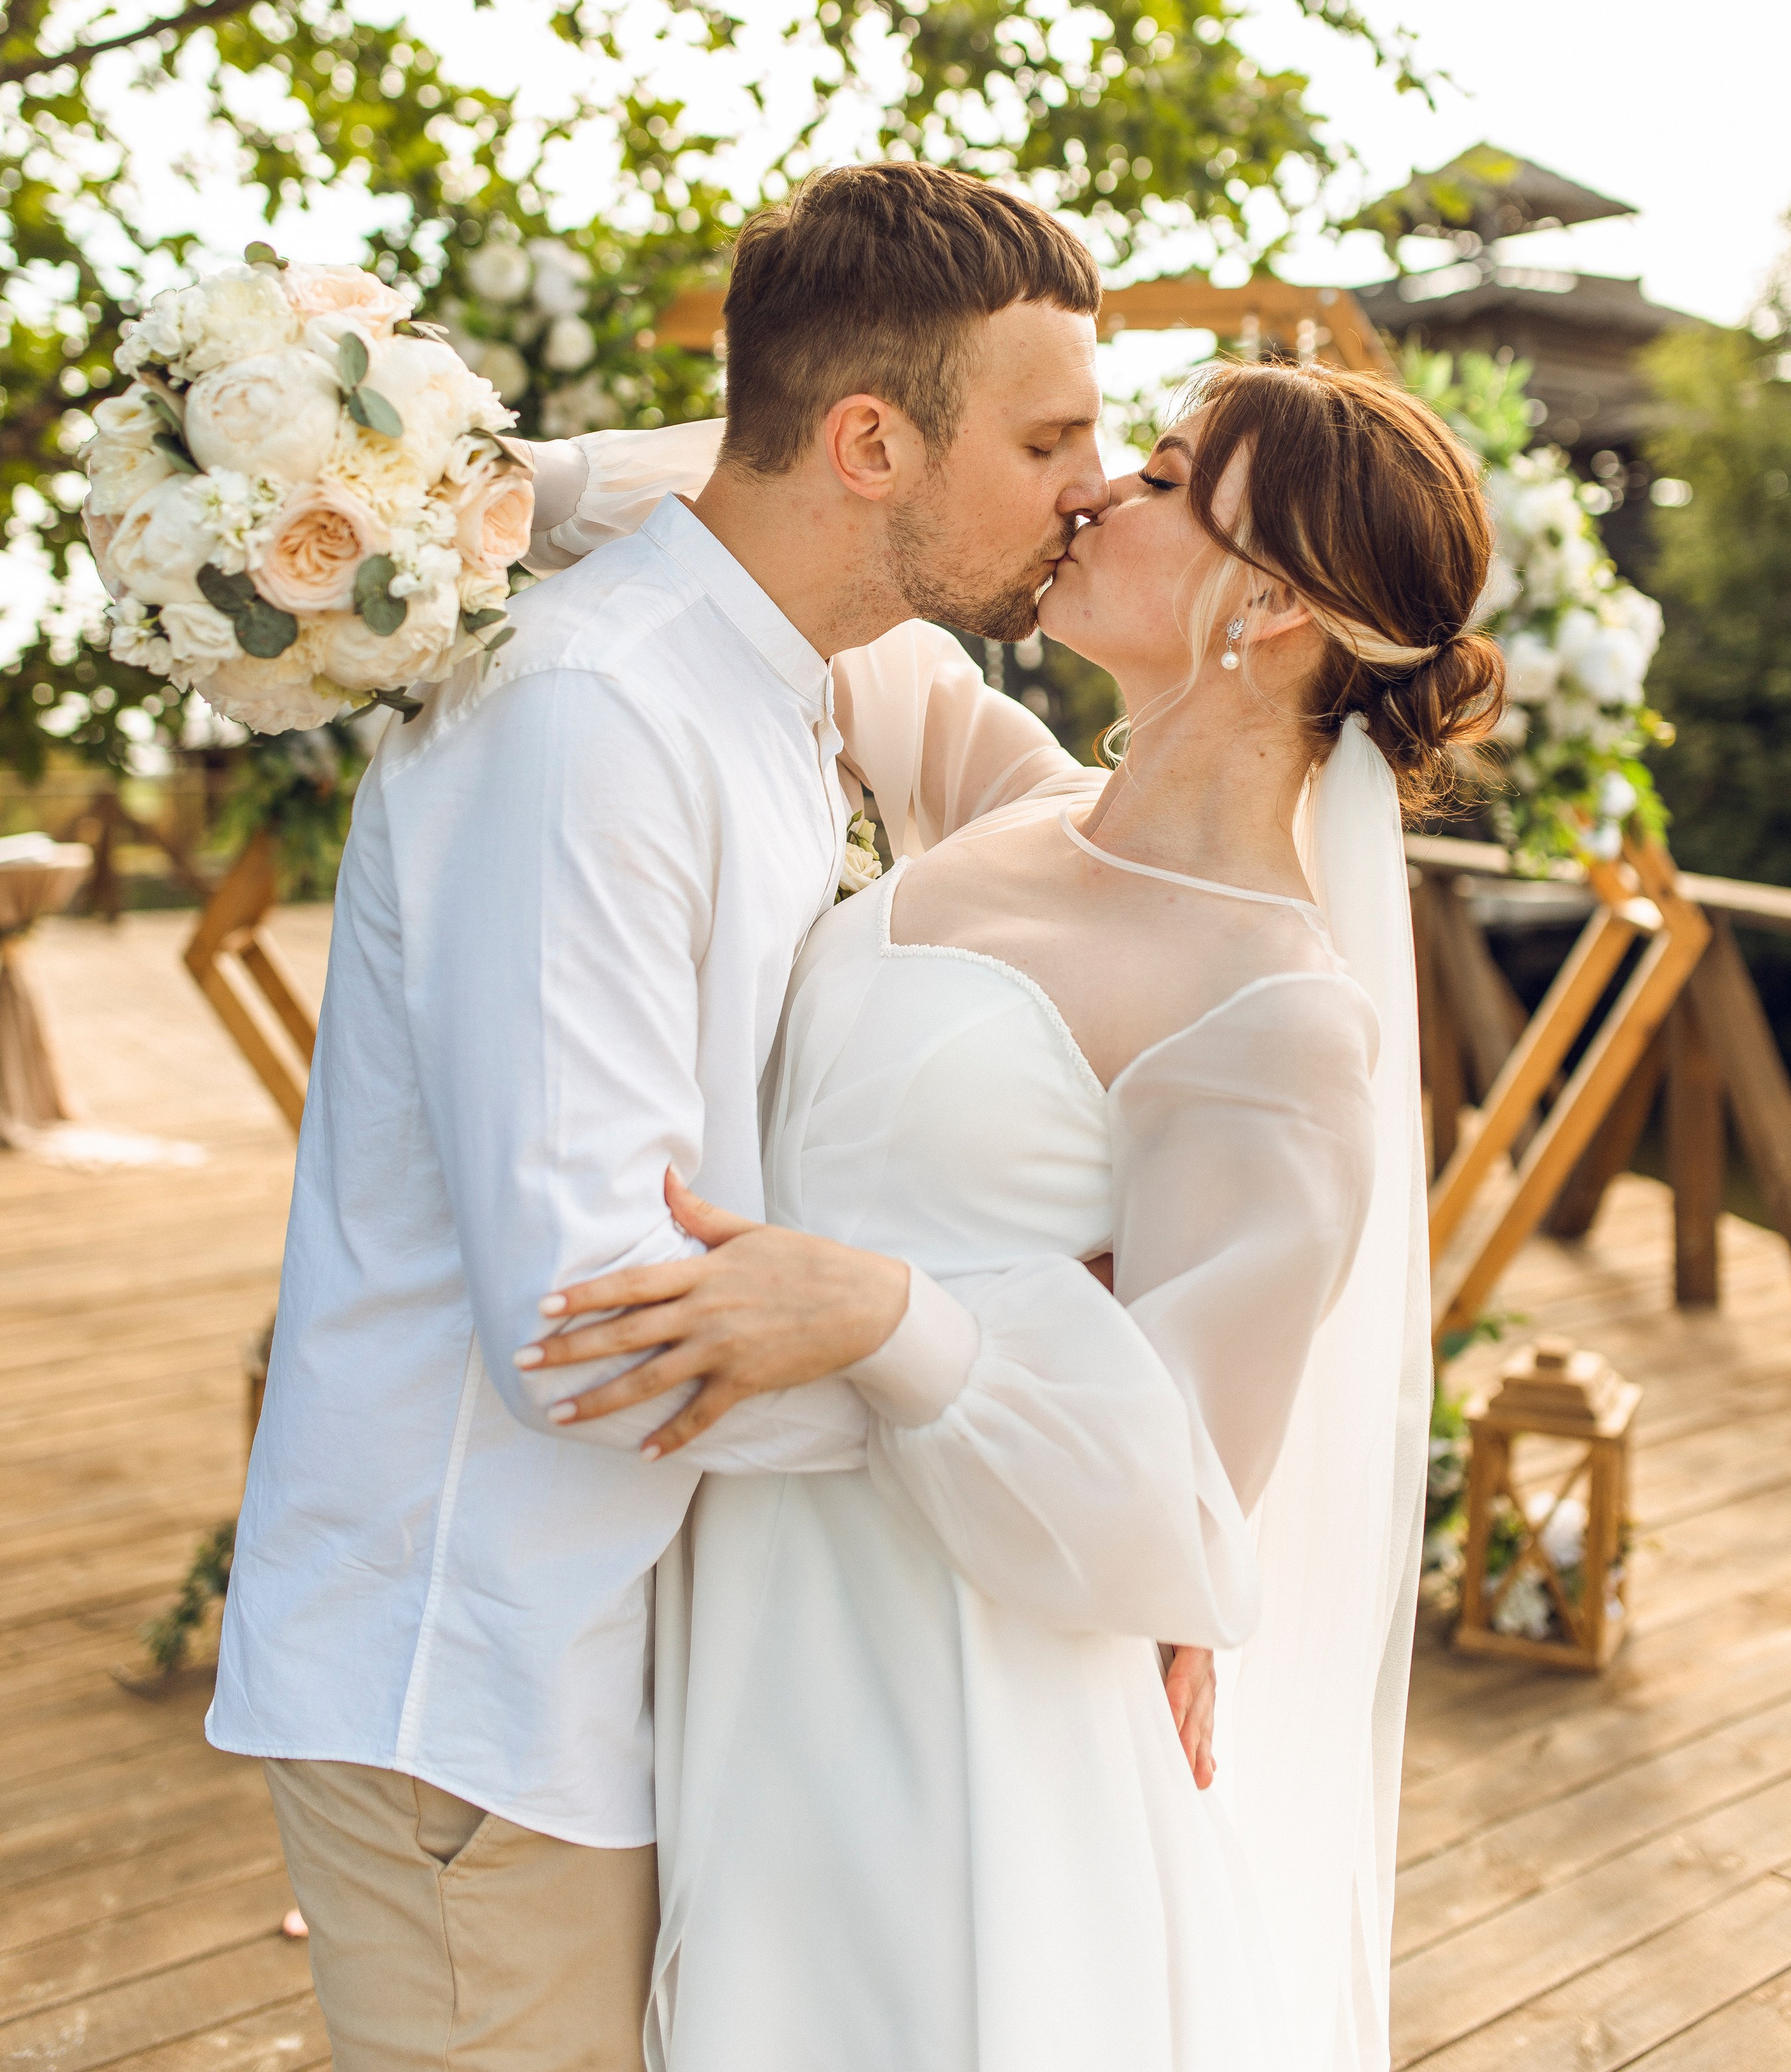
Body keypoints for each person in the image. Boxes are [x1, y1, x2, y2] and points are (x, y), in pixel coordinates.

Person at [210, 162, 1214, 2071]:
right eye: (1052, 435)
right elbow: (581, 1328)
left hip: (618, 1673)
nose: (1094, 482)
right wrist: (991, 1399)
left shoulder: (782, 688)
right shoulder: (590, 719)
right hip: (475, 1682)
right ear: (870, 447)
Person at [516, 358, 1505, 2071]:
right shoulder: (1008, 795)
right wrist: (436, 469)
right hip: (751, 1645)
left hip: (956, 1722)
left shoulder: (1273, 1015)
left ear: (1263, 601)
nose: (1092, 487)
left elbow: (1179, 1507)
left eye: (1164, 474)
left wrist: (891, 1319)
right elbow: (788, 504)